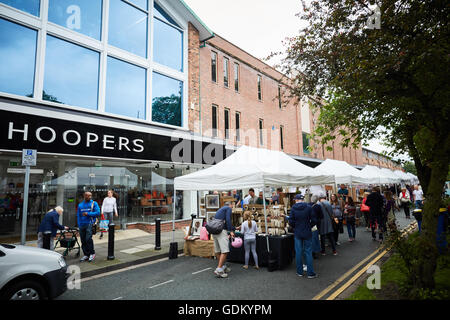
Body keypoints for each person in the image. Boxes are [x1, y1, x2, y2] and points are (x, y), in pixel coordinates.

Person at [288, 194, 318, 278]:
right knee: (308, 252)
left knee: (298, 252)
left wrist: (295, 226)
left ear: (296, 200)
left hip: (298, 232)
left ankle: (299, 272)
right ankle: (310, 273)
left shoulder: (293, 208)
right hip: (307, 232)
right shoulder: (309, 207)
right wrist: (309, 225)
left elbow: (290, 222)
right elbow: (315, 220)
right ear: (303, 199)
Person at [213, 202, 235, 278]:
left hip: (214, 231)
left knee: (218, 251)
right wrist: (231, 231)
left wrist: (233, 228)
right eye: (232, 205)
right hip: (221, 231)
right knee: (225, 251)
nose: (232, 207)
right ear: (230, 205)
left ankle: (222, 267)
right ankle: (219, 269)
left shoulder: (220, 209)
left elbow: (224, 222)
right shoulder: (228, 208)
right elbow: (228, 220)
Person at [77, 191, 100, 262]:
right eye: (88, 196)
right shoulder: (80, 205)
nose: (90, 197)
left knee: (88, 239)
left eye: (90, 196)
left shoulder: (94, 203)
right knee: (83, 240)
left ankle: (92, 253)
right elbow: (78, 216)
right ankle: (86, 254)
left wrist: (88, 214)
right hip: (82, 225)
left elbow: (98, 213)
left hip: (89, 224)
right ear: (84, 196)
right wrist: (79, 225)